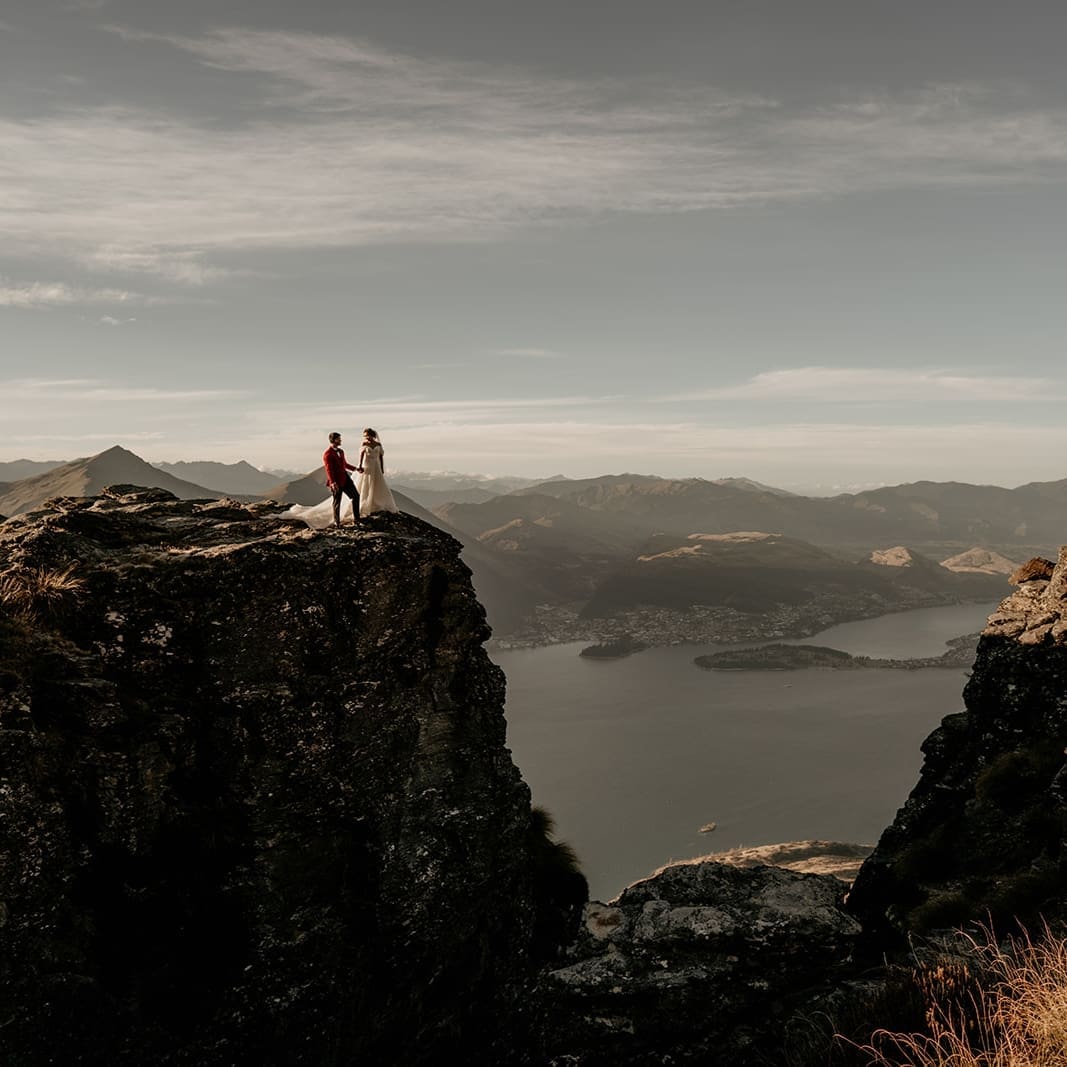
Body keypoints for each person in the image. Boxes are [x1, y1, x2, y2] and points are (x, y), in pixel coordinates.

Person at [357, 428, 399, 518]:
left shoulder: (378, 444)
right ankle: (366, 503)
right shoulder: (364, 444)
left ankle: (377, 502)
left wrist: (382, 468)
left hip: (376, 466)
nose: (366, 437)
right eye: (365, 436)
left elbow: (380, 457)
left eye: (368, 435)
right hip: (367, 465)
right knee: (366, 484)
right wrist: (360, 465)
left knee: (377, 483)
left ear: (372, 435)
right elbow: (361, 455)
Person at [323, 431, 361, 527]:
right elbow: (329, 470)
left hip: (345, 478)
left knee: (356, 496)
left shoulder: (341, 451)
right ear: (334, 440)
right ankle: (337, 522)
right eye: (339, 439)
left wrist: (356, 469)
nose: (341, 440)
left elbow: (345, 465)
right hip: (336, 481)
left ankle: (357, 520)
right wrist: (332, 482)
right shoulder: (327, 454)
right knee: (337, 502)